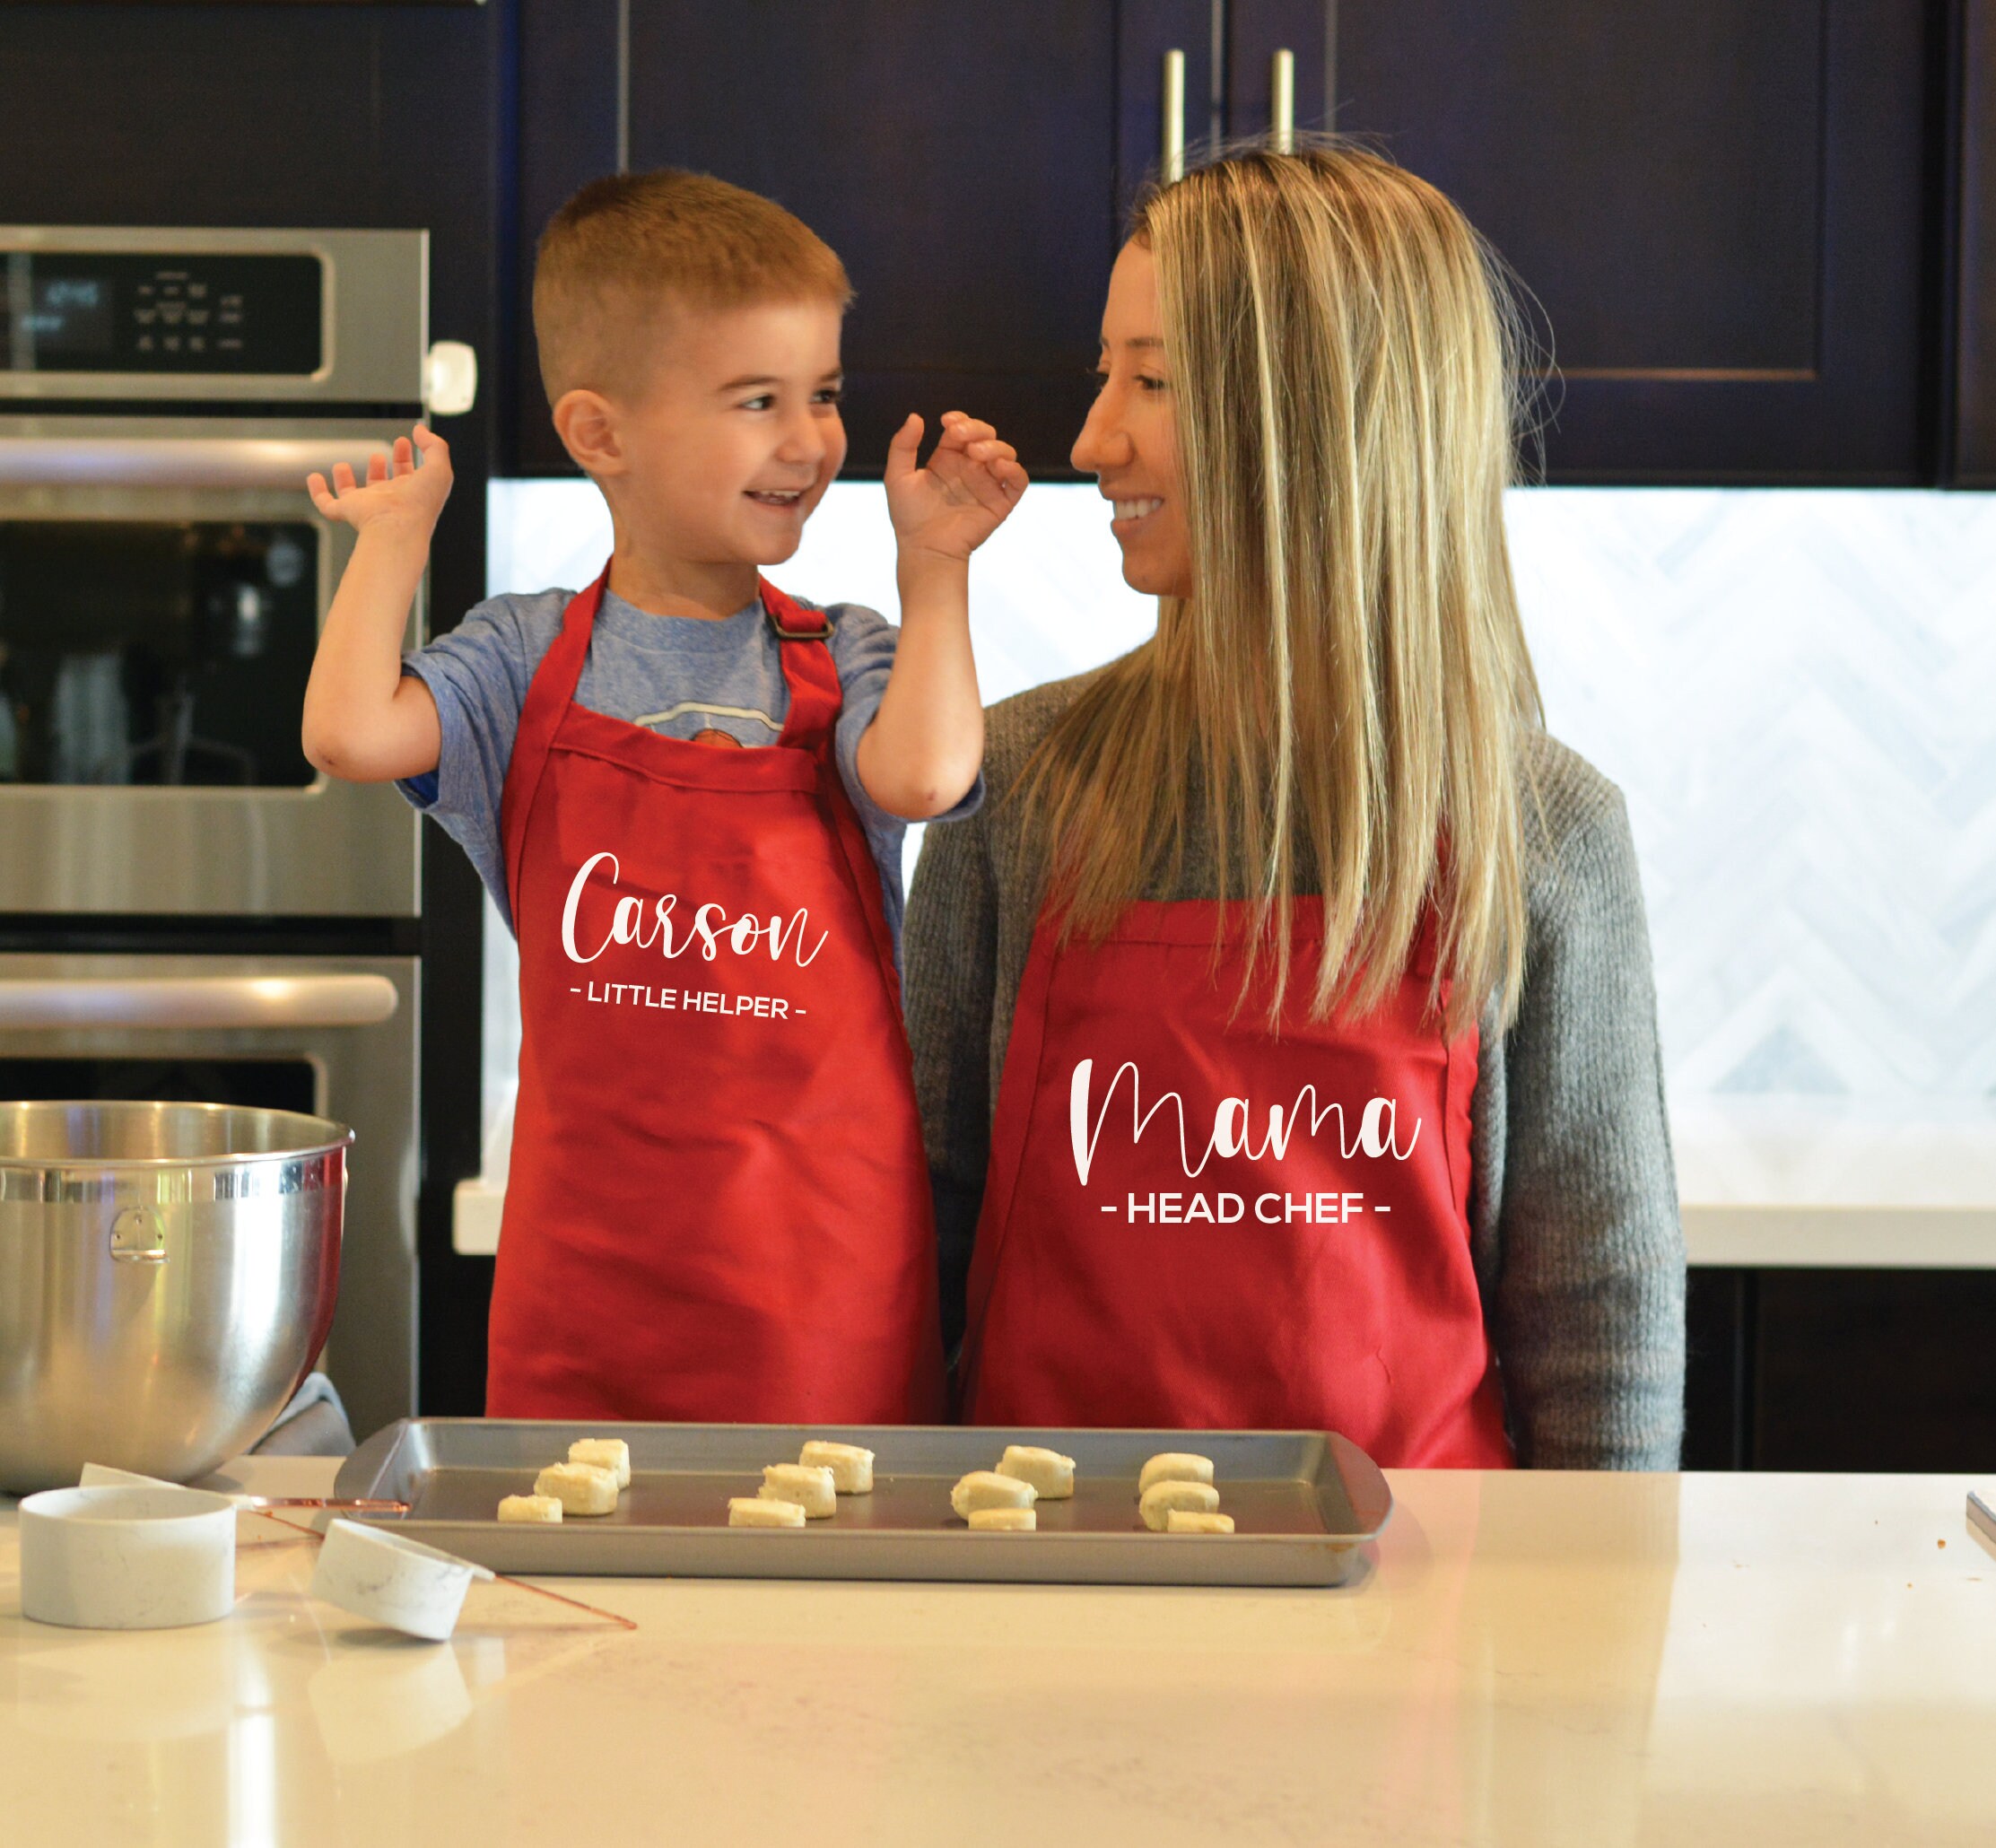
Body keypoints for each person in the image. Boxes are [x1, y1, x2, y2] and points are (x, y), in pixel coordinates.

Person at [904, 144, 1684, 1469]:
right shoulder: (1020, 781)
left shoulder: (1541, 829)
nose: (1093, 439)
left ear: (1315, 418)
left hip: (1423, 1620)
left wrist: (1583, 1651)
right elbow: (916, 1251)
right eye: (1108, 373)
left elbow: (1598, 1325)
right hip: (1042, 1610)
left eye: (1150, 379)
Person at [301, 170, 1025, 1424]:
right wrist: (395, 541)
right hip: (592, 1284)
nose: (807, 441)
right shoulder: (523, 660)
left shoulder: (849, 651)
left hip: (824, 1291)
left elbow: (925, 774)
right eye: (757, 401)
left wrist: (937, 570)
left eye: (824, 396)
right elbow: (351, 732)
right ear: (599, 434)